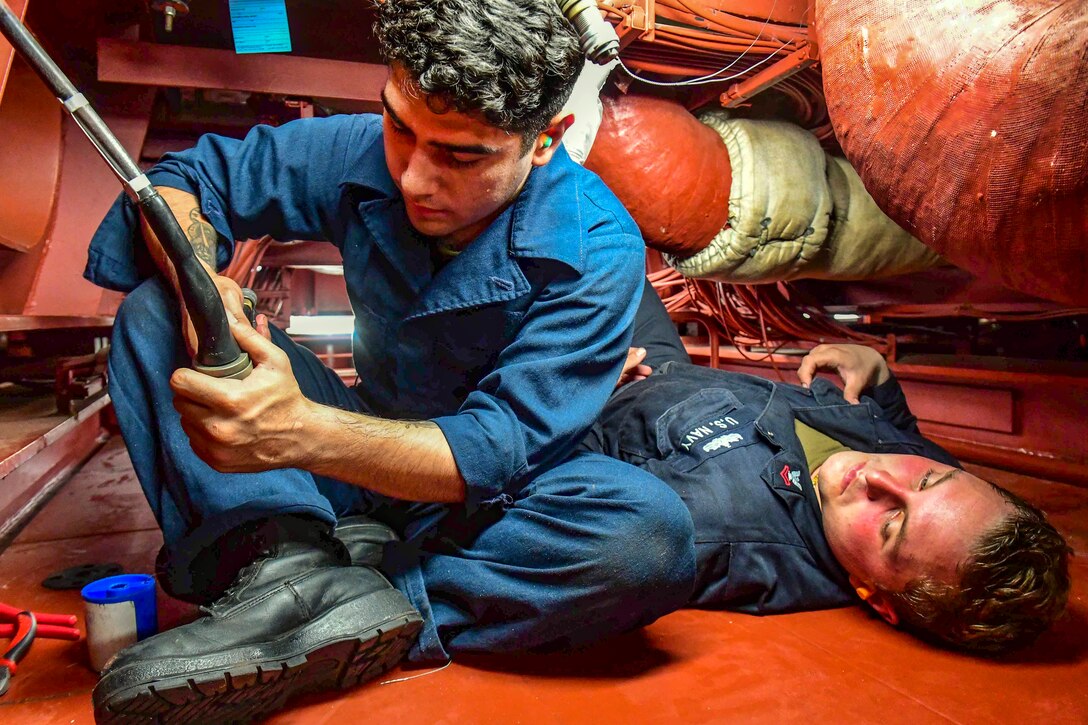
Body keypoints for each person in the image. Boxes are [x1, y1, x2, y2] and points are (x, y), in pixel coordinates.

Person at [82, 2, 695, 722]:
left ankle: (349, 602)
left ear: (546, 140)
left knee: (647, 539)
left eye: (462, 155)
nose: (413, 178)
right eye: (400, 126)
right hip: (355, 463)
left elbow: (494, 447)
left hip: (496, 507)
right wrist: (200, 283)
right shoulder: (359, 152)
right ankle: (283, 566)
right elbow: (186, 180)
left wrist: (299, 432)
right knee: (156, 314)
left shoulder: (597, 249)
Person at [583, 280, 1072, 655]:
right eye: (928, 478)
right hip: (670, 364)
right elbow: (905, 434)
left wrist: (578, 390)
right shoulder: (943, 497)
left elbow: (555, 482)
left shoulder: (717, 532)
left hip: (606, 386)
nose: (878, 477)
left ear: (876, 597)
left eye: (891, 524)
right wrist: (878, 374)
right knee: (606, 233)